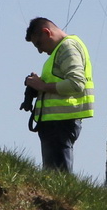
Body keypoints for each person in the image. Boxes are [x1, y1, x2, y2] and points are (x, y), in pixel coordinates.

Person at [23, 17, 94, 172]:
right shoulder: (63, 49)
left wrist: (42, 86)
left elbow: (76, 83)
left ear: (46, 32)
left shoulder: (67, 48)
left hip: (60, 122)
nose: (40, 50)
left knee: (57, 175)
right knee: (53, 175)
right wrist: (39, 86)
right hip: (56, 122)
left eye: (38, 44)